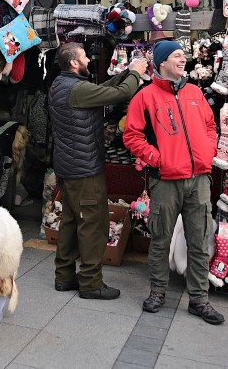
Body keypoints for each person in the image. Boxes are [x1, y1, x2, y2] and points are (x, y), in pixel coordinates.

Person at [122, 40, 224, 325]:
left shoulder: (195, 93)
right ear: (162, 62)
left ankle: (199, 300)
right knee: (160, 240)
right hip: (165, 180)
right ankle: (157, 292)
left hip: (199, 179)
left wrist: (208, 150)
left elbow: (209, 126)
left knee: (200, 241)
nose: (183, 60)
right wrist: (157, 158)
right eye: (177, 56)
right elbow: (132, 136)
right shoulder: (145, 97)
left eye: (183, 56)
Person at [48, 42, 147, 299]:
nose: (89, 61)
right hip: (84, 170)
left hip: (69, 167)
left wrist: (124, 72)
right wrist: (135, 73)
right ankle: (91, 283)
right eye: (84, 58)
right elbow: (121, 94)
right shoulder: (77, 89)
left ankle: (64, 276)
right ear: (73, 63)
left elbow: (101, 89)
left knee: (70, 221)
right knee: (94, 225)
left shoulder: (62, 85)